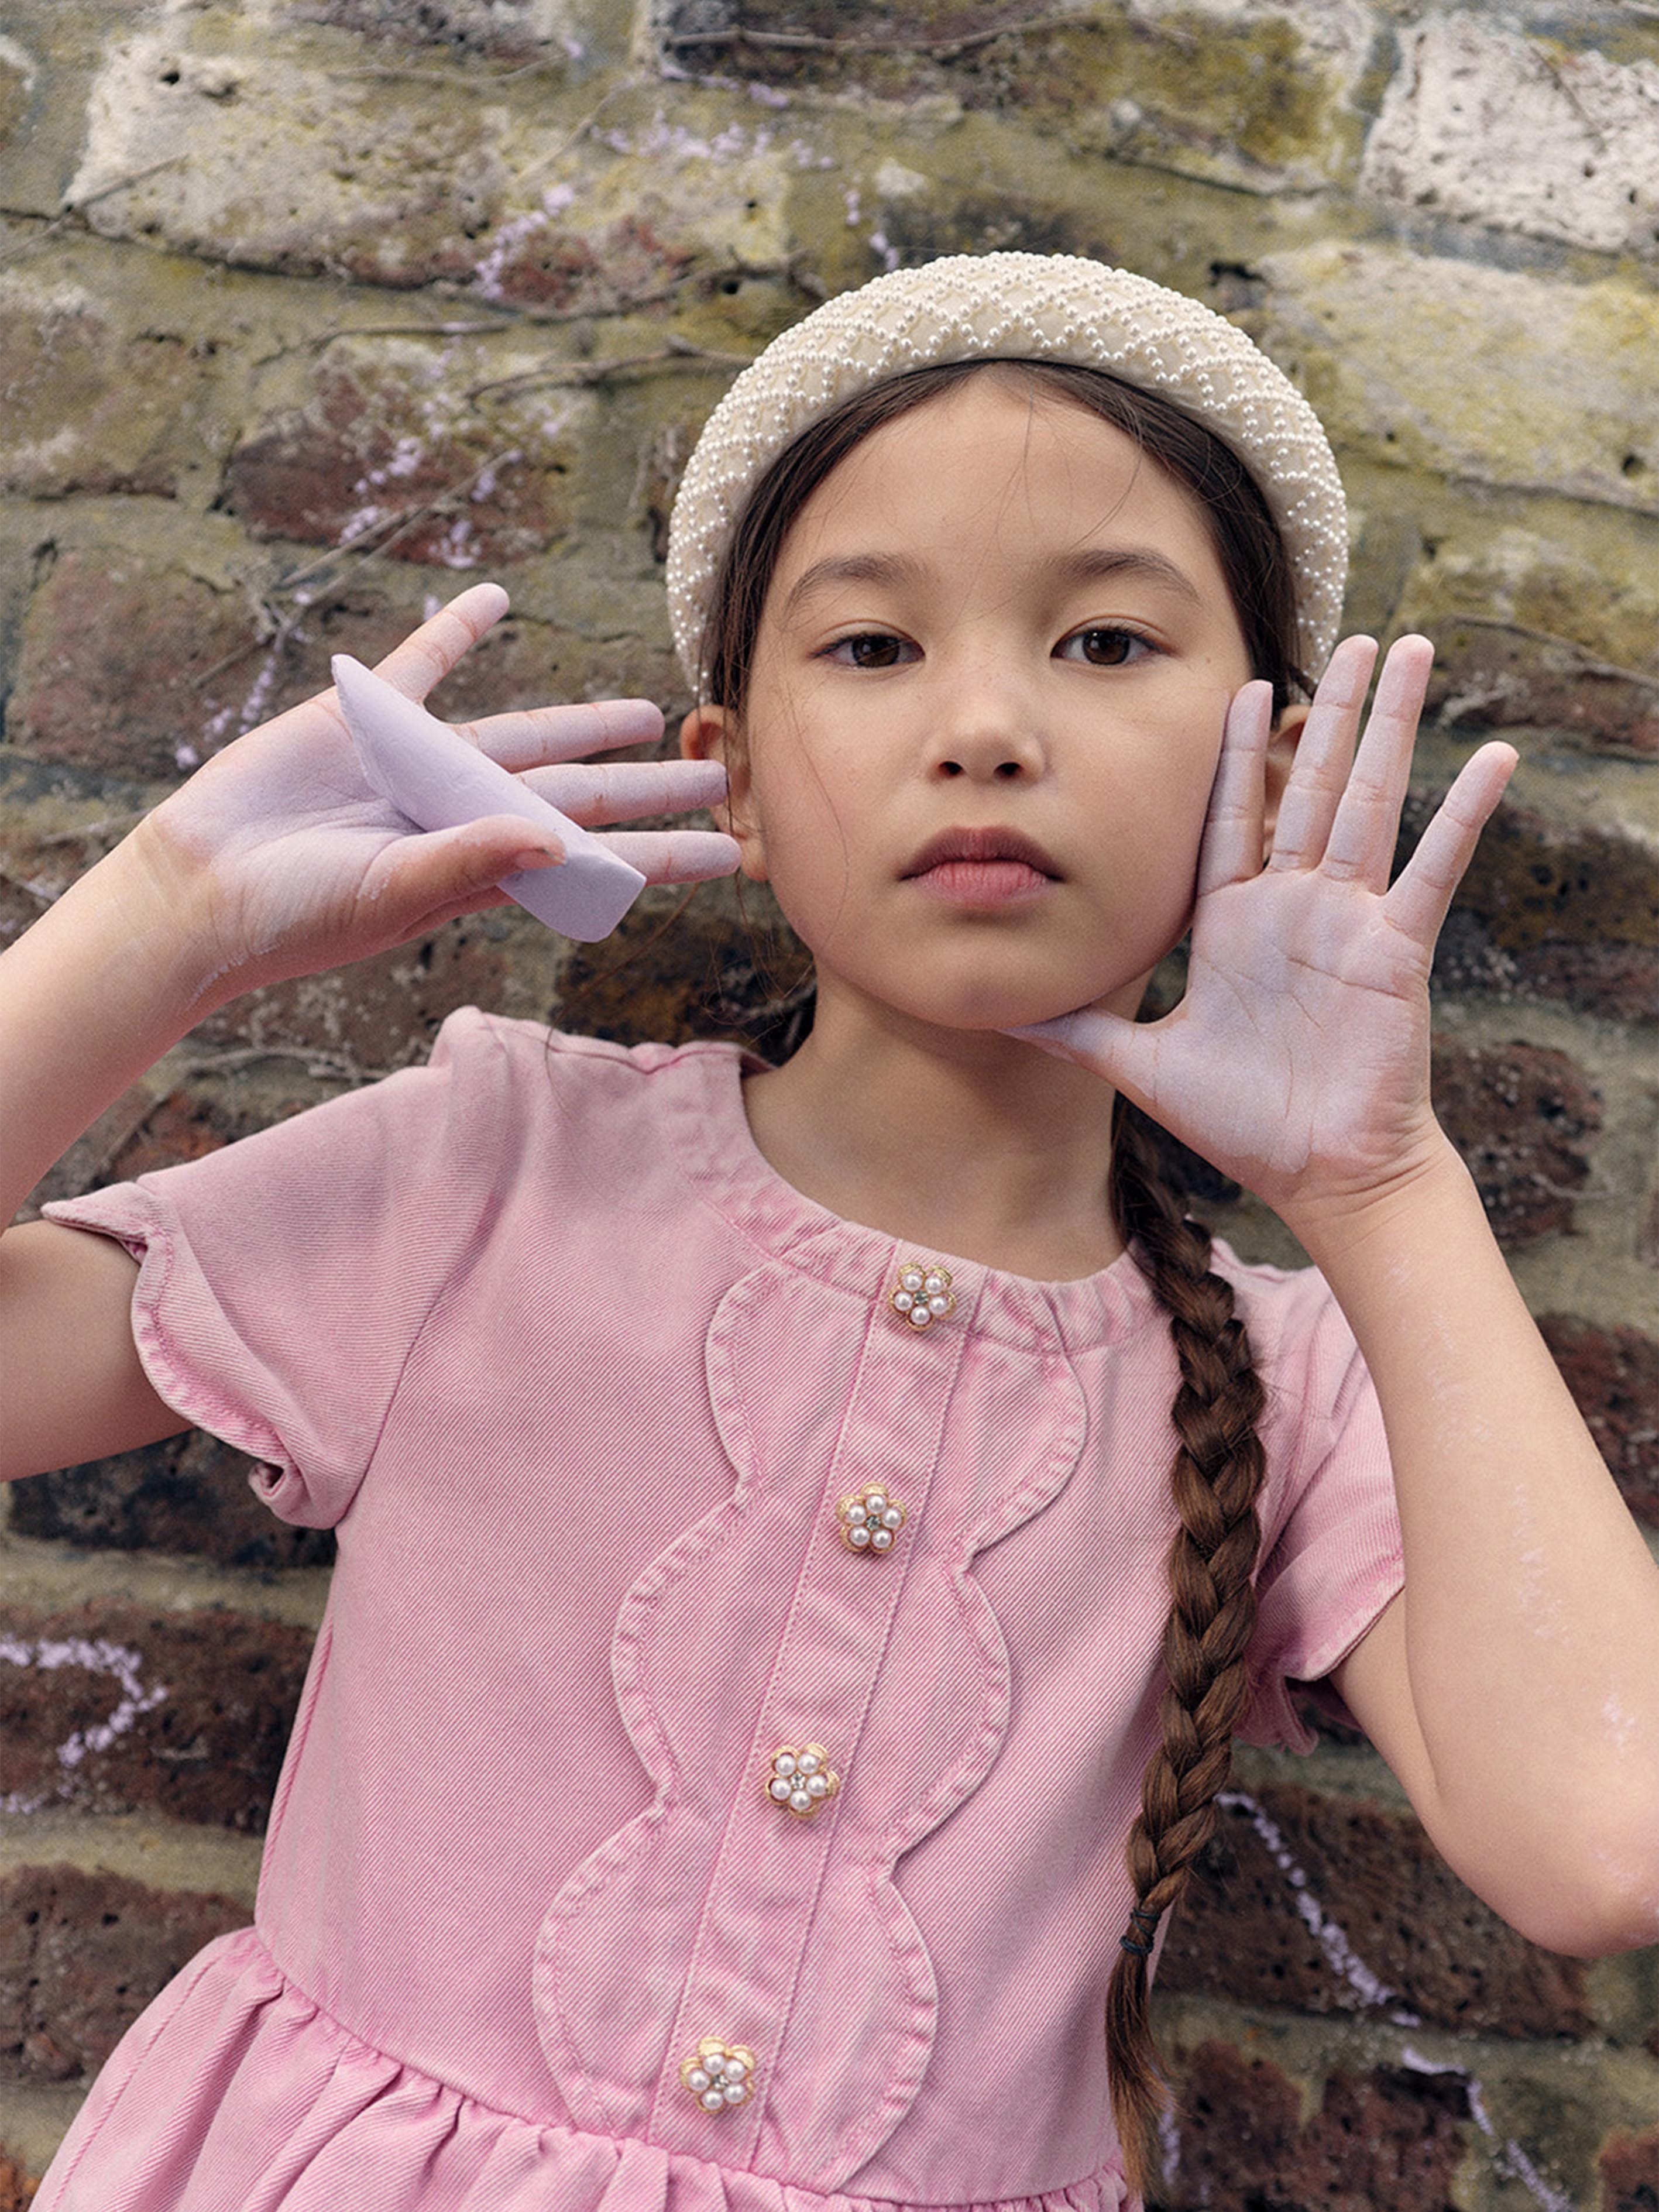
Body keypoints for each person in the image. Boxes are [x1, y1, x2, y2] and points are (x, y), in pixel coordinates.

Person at [2, 253, 1654, 2212]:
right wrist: (158, 921)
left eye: (1106, 644)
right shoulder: (494, 1164)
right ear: (739, 777)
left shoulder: (1297, 1378)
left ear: (1269, 766)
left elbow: (1598, 1838)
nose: (982, 727)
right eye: (871, 648)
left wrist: (1379, 1186)